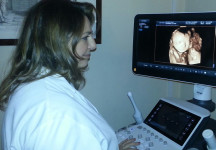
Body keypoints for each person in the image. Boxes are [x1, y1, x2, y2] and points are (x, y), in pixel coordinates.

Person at [0, 0, 139, 150]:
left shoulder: (31, 84)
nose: (93, 46)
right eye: (85, 37)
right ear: (57, 42)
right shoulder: (58, 118)